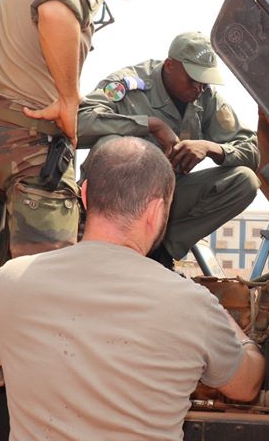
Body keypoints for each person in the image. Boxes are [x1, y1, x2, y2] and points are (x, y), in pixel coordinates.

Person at [0, 137, 266, 441]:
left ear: (86, 195)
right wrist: (237, 334)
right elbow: (245, 385)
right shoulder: (189, 302)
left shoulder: (14, 280)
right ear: (158, 209)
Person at [0, 0, 157, 257]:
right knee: (52, 282)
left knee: (14, 278)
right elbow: (56, 10)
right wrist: (68, 100)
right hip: (26, 143)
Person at [77, 31, 259, 268]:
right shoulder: (129, 84)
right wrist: (149, 125)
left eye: (204, 81)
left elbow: (252, 150)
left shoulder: (206, 98)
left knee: (245, 180)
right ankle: (94, 231)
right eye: (193, 80)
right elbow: (79, 123)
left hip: (163, 199)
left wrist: (211, 148)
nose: (199, 88)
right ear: (171, 66)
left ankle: (161, 250)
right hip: (110, 200)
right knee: (110, 143)